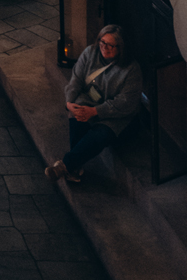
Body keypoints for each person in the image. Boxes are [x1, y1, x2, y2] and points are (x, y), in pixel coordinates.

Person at [45, 25, 143, 184]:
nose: (105, 48)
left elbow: (125, 103)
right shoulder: (90, 52)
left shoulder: (131, 70)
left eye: (110, 45)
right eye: (102, 42)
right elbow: (75, 80)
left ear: (121, 47)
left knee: (101, 134)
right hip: (89, 102)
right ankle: (73, 168)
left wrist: (96, 111)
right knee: (78, 112)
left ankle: (64, 166)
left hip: (118, 116)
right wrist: (69, 102)